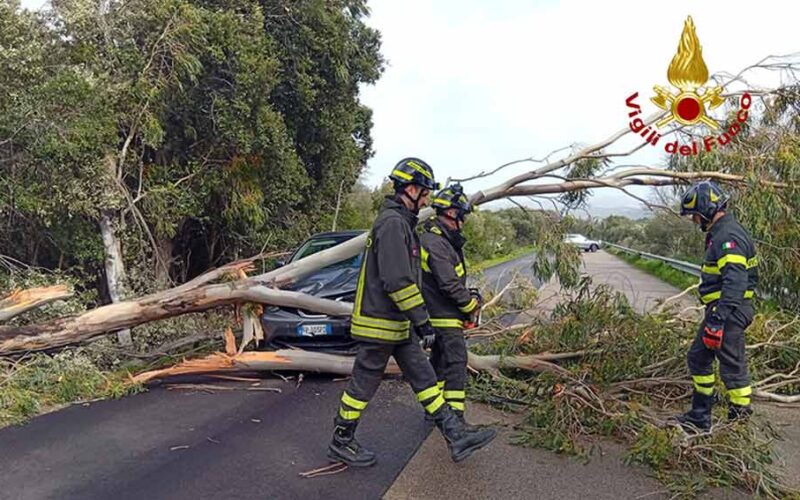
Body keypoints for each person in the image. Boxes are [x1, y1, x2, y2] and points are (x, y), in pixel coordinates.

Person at [327, 158, 496, 467]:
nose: (428, 199)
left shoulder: (402, 223)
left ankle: (455, 434)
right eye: (426, 192)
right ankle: (342, 439)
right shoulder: (392, 223)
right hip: (380, 323)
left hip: (396, 323)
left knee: (425, 376)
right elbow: (397, 280)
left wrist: (415, 321)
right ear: (412, 188)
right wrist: (422, 320)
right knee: (364, 383)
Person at [675, 181, 758, 432]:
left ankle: (737, 424)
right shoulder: (721, 232)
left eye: (695, 215)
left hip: (730, 310)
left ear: (707, 209)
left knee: (732, 366)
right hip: (725, 309)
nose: (694, 220)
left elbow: (736, 281)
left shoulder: (727, 236)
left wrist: (718, 319)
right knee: (699, 357)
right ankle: (700, 415)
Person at [419, 184, 482, 424]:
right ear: (453, 214)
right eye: (463, 216)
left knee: (440, 363)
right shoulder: (435, 243)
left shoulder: (440, 241)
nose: (463, 222)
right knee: (456, 363)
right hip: (442, 316)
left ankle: (434, 411)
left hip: (439, 314)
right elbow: (448, 284)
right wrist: (470, 307)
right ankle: (455, 418)